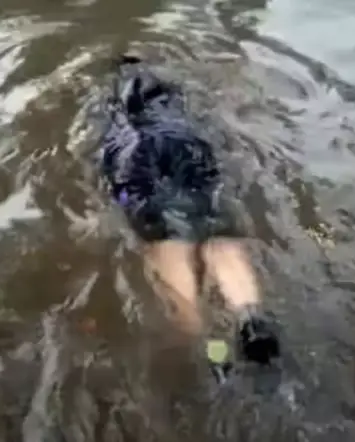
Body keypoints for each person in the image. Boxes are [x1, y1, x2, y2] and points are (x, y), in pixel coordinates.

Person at [100, 55, 280, 365]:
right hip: (187, 146)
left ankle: (214, 352)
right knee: (220, 242)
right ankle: (250, 317)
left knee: (170, 250)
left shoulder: (113, 110)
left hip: (137, 157)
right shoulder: (175, 101)